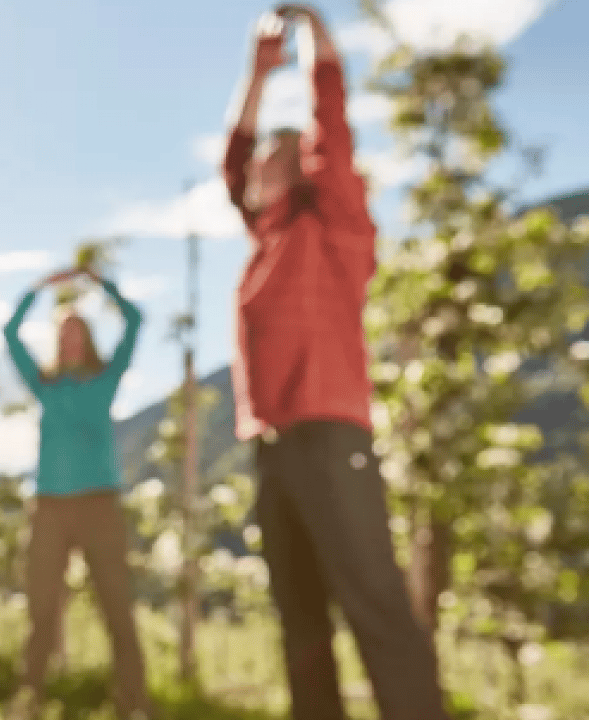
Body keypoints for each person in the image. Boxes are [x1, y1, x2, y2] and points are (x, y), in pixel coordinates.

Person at [221, 5, 450, 720]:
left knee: (375, 606)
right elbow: (233, 154)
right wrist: (256, 74)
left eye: (269, 158)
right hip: (274, 445)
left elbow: (334, 123)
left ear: (300, 167)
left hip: (330, 436)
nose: (253, 167)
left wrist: (317, 32)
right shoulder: (265, 235)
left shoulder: (334, 224)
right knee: (301, 623)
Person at [2, 266, 152, 720]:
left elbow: (135, 320)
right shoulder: (44, 386)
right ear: (57, 340)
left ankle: (134, 704)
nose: (69, 338)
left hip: (99, 505)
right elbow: (9, 333)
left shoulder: (105, 380)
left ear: (86, 339)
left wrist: (98, 280)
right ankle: (29, 699)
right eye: (62, 331)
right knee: (42, 609)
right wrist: (38, 288)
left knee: (115, 606)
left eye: (76, 330)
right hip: (49, 508)